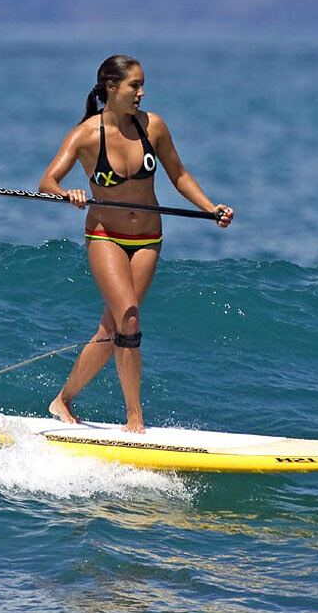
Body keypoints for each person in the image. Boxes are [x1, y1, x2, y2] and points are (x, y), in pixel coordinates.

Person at [39, 55, 233, 433]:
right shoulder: (85, 136)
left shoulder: (153, 127)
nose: (141, 93)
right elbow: (48, 181)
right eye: (134, 86)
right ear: (111, 87)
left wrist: (211, 208)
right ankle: (134, 420)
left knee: (113, 329)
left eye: (143, 85)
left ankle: (62, 400)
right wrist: (68, 194)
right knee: (127, 315)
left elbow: (178, 174)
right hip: (105, 236)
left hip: (148, 238)